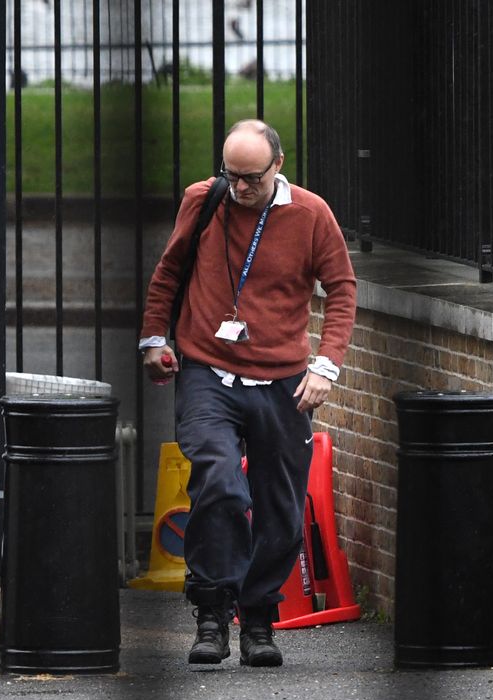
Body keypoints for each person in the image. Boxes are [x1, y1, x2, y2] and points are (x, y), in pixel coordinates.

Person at [139, 119, 357, 667]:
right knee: (219, 481)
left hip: (283, 381)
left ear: (278, 167)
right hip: (207, 370)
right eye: (230, 176)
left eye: (251, 179)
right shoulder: (204, 201)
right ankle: (212, 615)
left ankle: (259, 618)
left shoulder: (311, 214)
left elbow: (343, 289)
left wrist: (325, 367)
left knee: (281, 509)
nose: (239, 189)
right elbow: (168, 272)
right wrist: (153, 338)